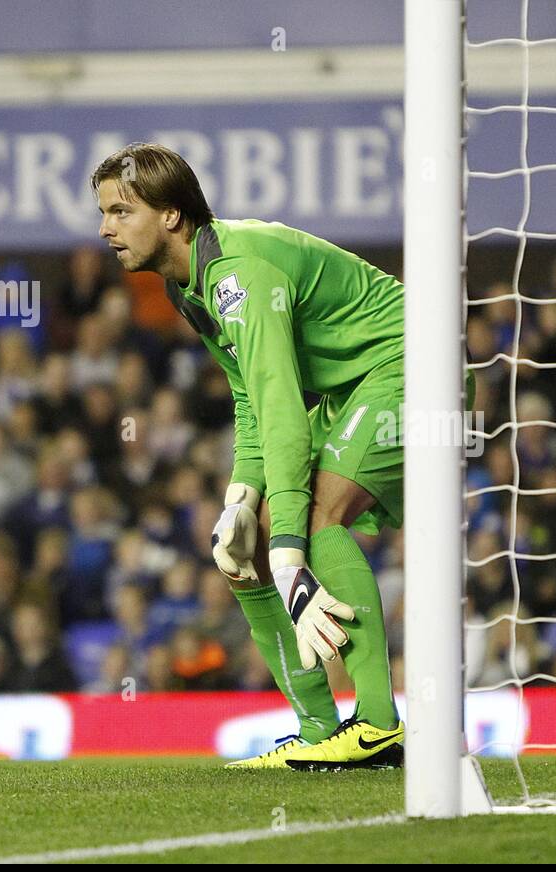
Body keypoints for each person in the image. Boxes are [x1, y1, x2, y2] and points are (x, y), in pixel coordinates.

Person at [91, 142, 414, 770]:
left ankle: (378, 725)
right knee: (244, 547)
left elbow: (282, 408)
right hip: (350, 392)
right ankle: (319, 728)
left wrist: (292, 553)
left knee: (313, 518)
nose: (106, 228)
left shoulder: (239, 273)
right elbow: (249, 399)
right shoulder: (190, 285)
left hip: (410, 367)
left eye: (121, 211)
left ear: (173, 217)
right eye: (103, 212)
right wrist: (240, 502)